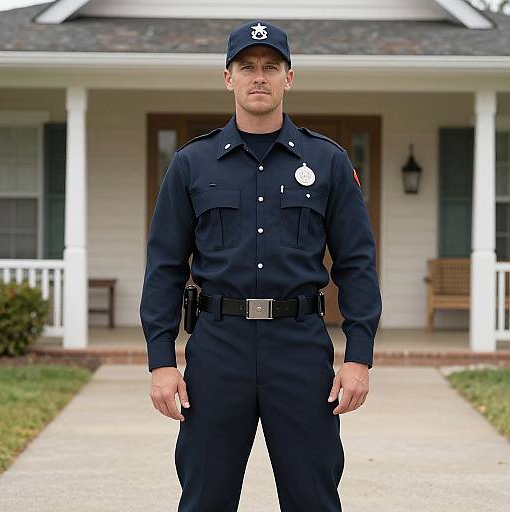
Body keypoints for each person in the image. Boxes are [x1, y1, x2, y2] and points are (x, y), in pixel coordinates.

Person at [139, 19, 382, 512]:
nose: (259, 77)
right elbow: (164, 267)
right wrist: (161, 361)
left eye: (271, 67)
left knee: (313, 497)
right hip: (216, 349)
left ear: (288, 78)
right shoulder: (192, 164)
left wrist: (359, 355)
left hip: (299, 349)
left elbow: (356, 263)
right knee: (205, 496)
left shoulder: (328, 162)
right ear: (227, 77)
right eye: (246, 66)